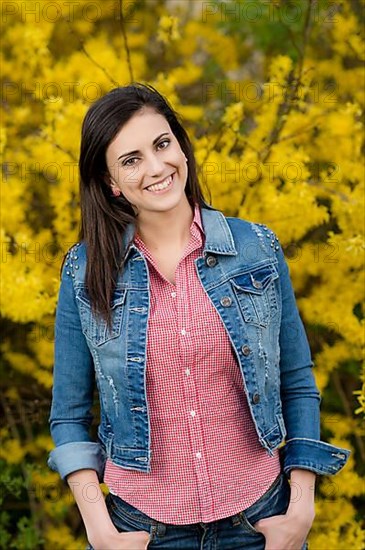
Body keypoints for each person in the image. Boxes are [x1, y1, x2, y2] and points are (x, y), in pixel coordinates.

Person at [48, 83, 350, 550]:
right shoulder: (84, 272)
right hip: (141, 531)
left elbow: (297, 380)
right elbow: (68, 414)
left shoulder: (257, 249)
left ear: (182, 149)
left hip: (259, 522)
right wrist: (99, 529)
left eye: (162, 144)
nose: (155, 167)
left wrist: (301, 506)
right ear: (111, 183)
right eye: (130, 160)